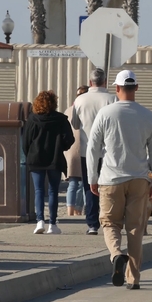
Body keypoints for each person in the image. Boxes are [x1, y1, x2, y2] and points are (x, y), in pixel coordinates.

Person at [88, 70, 152, 290]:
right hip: (139, 178)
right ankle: (133, 278)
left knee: (110, 223)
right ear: (136, 88)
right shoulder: (148, 116)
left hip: (110, 177)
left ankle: (116, 255)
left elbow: (93, 148)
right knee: (135, 228)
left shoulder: (106, 113)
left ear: (117, 88)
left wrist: (92, 176)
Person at [71, 68, 118, 235]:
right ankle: (109, 218)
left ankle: (92, 224)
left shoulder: (80, 100)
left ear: (90, 82)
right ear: (104, 81)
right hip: (108, 151)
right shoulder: (112, 99)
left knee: (89, 186)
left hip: (86, 150)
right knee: (109, 186)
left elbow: (75, 124)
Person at [24, 90, 76, 235]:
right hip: (55, 158)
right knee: (53, 191)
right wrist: (61, 147)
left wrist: (29, 153)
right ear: (54, 103)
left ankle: (40, 221)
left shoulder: (32, 119)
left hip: (36, 158)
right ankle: (52, 224)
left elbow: (26, 141)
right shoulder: (60, 119)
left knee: (39, 190)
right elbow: (70, 139)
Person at [64, 86, 88, 216]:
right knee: (86, 184)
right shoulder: (88, 109)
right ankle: (82, 210)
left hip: (71, 150)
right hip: (84, 148)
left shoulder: (68, 110)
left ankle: (70, 211)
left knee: (73, 183)